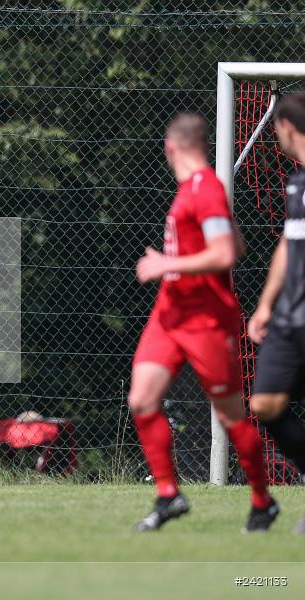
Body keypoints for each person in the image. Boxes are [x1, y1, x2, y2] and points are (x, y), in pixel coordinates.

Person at [130, 112, 275, 532]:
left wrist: (166, 263)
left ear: (169, 146)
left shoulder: (205, 188)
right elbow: (237, 241)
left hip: (206, 321)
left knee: (231, 416)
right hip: (170, 315)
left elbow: (227, 254)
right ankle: (168, 495)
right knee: (141, 400)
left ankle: (262, 501)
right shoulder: (194, 191)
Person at [247, 92, 305, 535]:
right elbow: (288, 245)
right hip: (289, 319)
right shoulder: (295, 182)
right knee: (265, 404)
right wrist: (266, 305)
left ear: (286, 126)